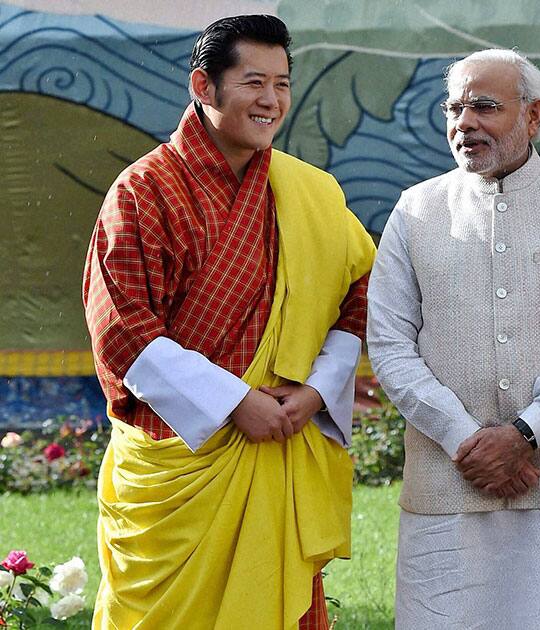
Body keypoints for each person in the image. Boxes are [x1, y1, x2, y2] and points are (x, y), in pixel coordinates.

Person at [82, 15, 375, 629]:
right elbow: (123, 331)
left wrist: (318, 388)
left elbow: (362, 289)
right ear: (203, 87)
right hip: (177, 465)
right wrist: (235, 401)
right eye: (253, 82)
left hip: (277, 442)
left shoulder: (309, 191)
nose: (271, 100)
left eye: (283, 84)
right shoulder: (142, 191)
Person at [367, 48, 540, 629]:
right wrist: (467, 439)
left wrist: (526, 433)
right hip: (447, 484)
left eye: (484, 107)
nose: (464, 123)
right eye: (455, 109)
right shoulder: (415, 212)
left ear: (534, 115)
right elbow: (389, 344)